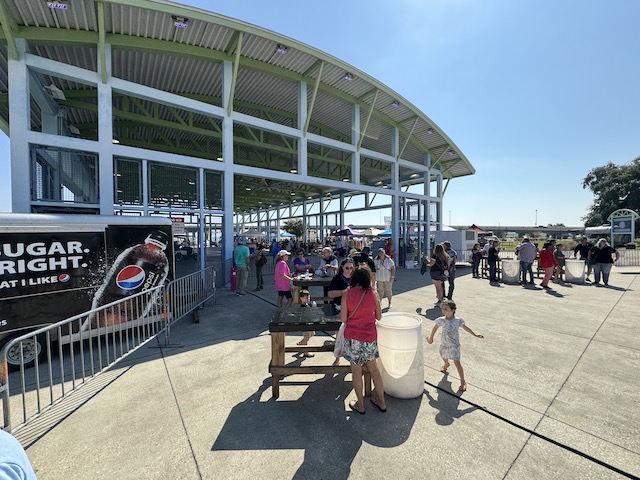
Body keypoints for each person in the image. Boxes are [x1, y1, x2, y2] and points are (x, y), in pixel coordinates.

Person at [341, 264, 387, 414]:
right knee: (374, 369)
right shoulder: (374, 294)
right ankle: (381, 401)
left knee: (356, 371)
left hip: (353, 337)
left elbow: (343, 319)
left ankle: (360, 405)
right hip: (369, 337)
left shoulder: (348, 294)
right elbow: (379, 317)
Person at [426, 299, 484, 392]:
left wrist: (475, 334)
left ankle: (463, 381)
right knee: (443, 356)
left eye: (446, 309)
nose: (444, 310)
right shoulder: (441, 320)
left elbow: (466, 328)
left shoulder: (458, 321)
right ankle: (446, 364)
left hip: (454, 346)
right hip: (444, 344)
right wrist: (430, 338)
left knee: (457, 363)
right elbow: (435, 328)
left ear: (453, 310)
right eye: (443, 309)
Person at [296, 289, 316, 357]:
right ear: (301, 298)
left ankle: (301, 343)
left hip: (309, 324)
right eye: (306, 297)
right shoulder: (302, 307)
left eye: (308, 297)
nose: (308, 299)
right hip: (305, 325)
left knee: (312, 334)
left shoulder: (308, 305)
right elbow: (302, 317)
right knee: (306, 337)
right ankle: (305, 352)